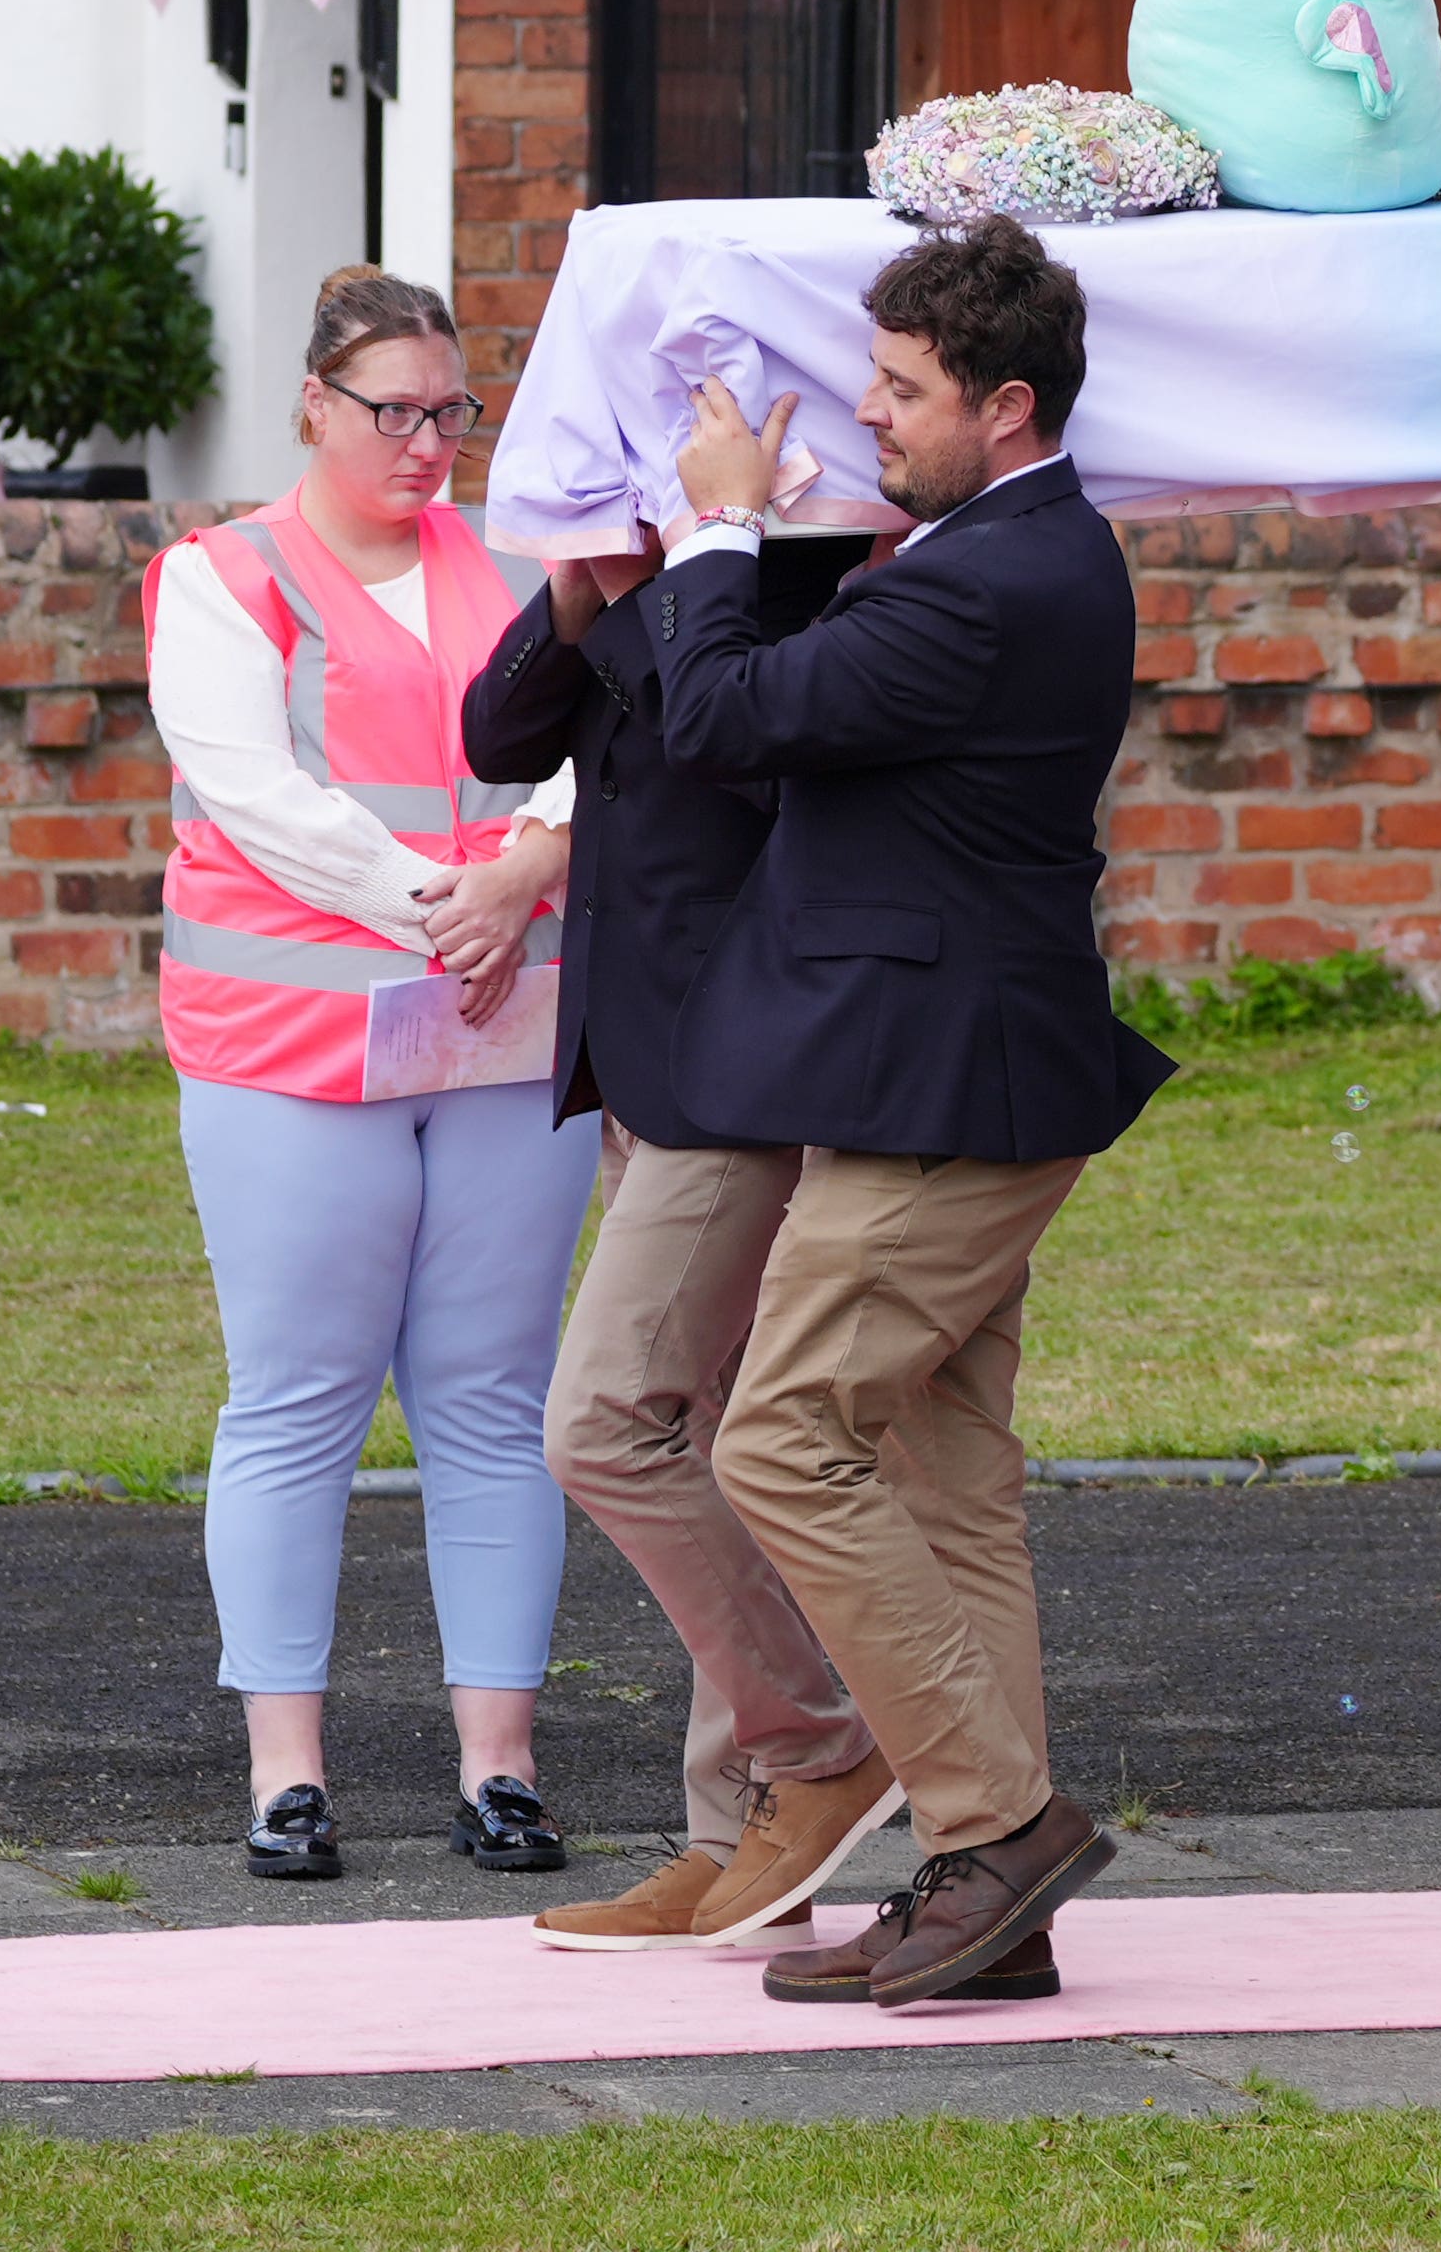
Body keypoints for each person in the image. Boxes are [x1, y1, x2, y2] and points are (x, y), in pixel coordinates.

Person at [654, 214, 1181, 2013]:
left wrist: (719, 522)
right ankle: (991, 1885)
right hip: (960, 1068)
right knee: (950, 1480)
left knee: (781, 1438)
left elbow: (724, 716)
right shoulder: (1004, 552)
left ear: (1009, 404)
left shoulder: (989, 580)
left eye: (901, 389)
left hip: (947, 1087)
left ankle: (997, 1822)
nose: (868, 413)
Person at [142, 267, 596, 1887]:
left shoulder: (527, 567)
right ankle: (288, 1773)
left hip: (500, 1041)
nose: (424, 443)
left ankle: (501, 1766)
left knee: (492, 1403)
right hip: (293, 1053)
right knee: (298, 1402)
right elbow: (259, 796)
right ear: (314, 410)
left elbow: (588, 744)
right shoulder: (223, 579)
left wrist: (524, 869)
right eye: (390, 411)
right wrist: (460, 896)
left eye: (448, 412)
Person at [467, 524, 911, 1956]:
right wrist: (576, 594)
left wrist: (674, 585)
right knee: (706, 1437)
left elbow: (732, 746)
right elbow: (495, 732)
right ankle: (734, 1832)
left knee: (606, 1427)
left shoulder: (800, 577)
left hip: (740, 1073)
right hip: (640, 1065)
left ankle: (818, 1750)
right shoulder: (640, 589)